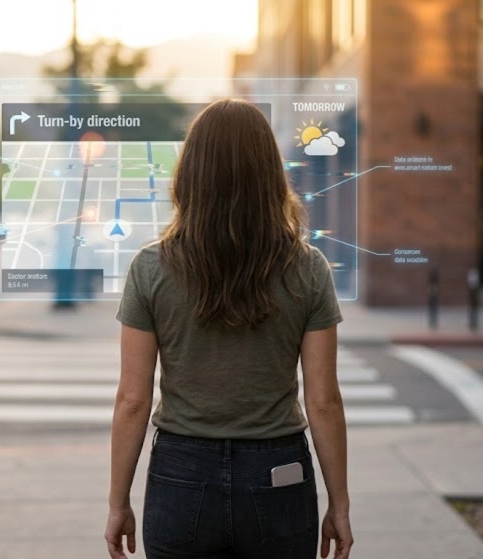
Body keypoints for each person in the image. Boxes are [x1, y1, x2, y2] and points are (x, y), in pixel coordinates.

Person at [105, 99, 353, 559]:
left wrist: (118, 502)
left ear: (190, 174)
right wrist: (339, 504)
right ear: (270, 175)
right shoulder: (308, 269)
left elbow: (132, 400)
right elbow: (324, 400)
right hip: (279, 473)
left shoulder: (151, 268)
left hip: (181, 473)